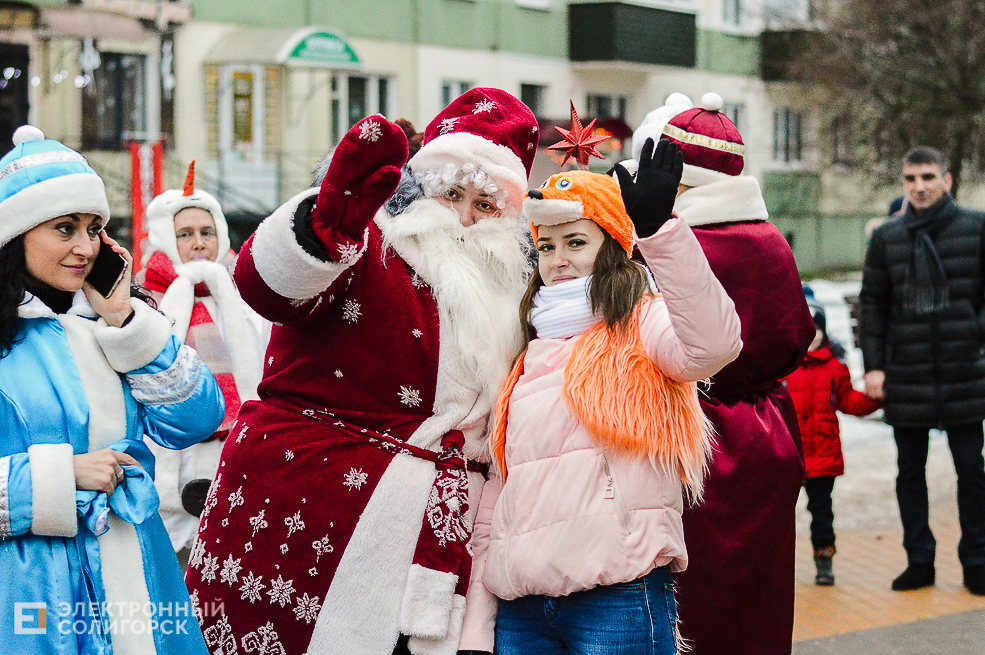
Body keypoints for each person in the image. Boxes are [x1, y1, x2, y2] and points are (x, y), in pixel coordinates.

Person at [186, 88, 539, 655]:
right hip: (310, 511)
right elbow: (266, 288)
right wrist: (322, 227)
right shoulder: (366, 242)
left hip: (445, 531)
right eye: (452, 194)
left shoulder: (520, 292)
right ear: (423, 189)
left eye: (488, 204)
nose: (468, 218)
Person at [457, 145, 742, 654]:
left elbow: (714, 346)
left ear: (611, 246)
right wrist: (477, 628)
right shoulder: (527, 349)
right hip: (524, 606)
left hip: (616, 593)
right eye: (545, 246)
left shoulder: (641, 323)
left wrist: (660, 234)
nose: (558, 259)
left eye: (575, 242)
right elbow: (502, 493)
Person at [0, 126, 224, 652]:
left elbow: (196, 420)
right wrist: (58, 477)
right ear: (16, 233)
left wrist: (126, 321)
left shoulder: (114, 324)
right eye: (64, 228)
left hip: (137, 569)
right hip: (30, 589)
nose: (85, 247)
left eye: (94, 228)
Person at [622, 92, 815, 655]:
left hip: (693, 434)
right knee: (760, 587)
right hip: (768, 431)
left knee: (694, 599)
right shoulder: (773, 240)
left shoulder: (674, 247)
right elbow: (795, 331)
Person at [859, 146, 985, 596]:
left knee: (972, 473)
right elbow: (873, 303)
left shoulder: (976, 228)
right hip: (906, 372)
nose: (919, 187)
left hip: (964, 370)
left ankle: (977, 562)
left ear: (947, 180)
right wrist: (873, 366)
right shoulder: (887, 238)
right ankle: (919, 561)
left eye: (928, 177)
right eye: (910, 179)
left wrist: (973, 331)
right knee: (910, 473)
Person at [138, 161, 267, 553]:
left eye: (207, 232)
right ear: (164, 239)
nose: (199, 243)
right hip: (173, 462)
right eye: (185, 234)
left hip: (237, 457)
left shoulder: (245, 302)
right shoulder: (144, 307)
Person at [782, 286, 881, 586]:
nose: (812, 335)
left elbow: (850, 402)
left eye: (817, 328)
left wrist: (877, 398)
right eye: (806, 328)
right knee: (780, 516)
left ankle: (824, 560)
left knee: (822, 512)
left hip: (823, 457)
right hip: (790, 455)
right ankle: (777, 564)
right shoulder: (784, 369)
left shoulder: (835, 369)